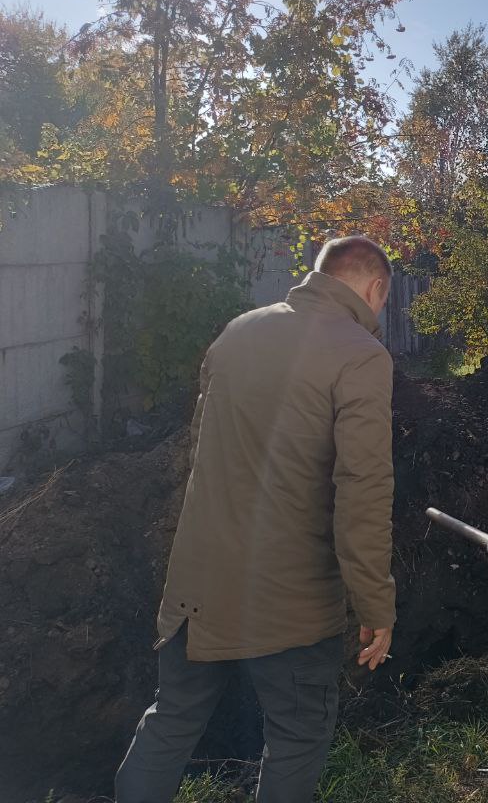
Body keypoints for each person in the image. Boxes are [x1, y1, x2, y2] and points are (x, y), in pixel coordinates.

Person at [116, 235, 399, 803]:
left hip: (198, 584)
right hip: (289, 598)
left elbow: (201, 450)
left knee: (171, 718)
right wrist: (375, 604)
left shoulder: (236, 332)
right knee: (297, 736)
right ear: (374, 288)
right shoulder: (361, 355)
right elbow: (362, 490)